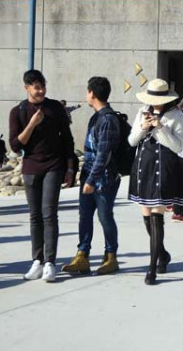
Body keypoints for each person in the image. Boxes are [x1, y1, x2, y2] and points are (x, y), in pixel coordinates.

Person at [9, 70, 76, 283]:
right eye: (36, 87)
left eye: (42, 86)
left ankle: (50, 262)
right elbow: (16, 145)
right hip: (30, 167)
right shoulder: (18, 111)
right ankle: (36, 261)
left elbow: (67, 139)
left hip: (53, 166)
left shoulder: (55, 107)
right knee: (35, 216)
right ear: (26, 87)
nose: (40, 90)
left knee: (49, 213)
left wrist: (71, 168)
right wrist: (32, 124)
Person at [127, 78, 183, 285]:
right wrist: (144, 127)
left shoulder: (176, 115)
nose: (155, 103)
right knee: (146, 215)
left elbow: (177, 146)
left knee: (157, 217)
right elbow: (131, 141)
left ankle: (152, 267)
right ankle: (162, 254)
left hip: (164, 169)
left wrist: (160, 128)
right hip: (144, 167)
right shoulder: (142, 112)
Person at [63, 76, 123, 276]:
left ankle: (111, 256)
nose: (86, 95)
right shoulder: (95, 117)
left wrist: (91, 180)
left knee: (105, 216)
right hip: (89, 174)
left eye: (87, 91)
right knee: (85, 216)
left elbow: (103, 155)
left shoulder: (107, 119)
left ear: (92, 93)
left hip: (103, 178)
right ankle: (82, 255)